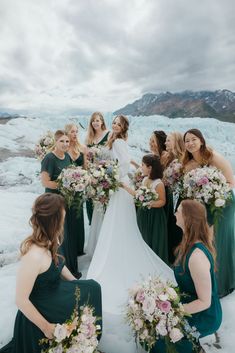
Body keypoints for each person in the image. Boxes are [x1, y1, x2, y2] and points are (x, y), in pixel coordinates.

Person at [87, 115, 175, 353]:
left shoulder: (118, 142)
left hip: (121, 184)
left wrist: (114, 175)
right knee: (117, 223)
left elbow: (122, 163)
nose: (114, 126)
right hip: (121, 183)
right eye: (113, 123)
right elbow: (124, 162)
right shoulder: (115, 141)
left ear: (123, 127)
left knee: (121, 224)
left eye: (118, 124)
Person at [0, 193, 102, 353]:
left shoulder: (51, 239)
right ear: (54, 222)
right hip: (40, 309)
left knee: (92, 288)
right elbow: (21, 300)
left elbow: (58, 264)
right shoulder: (33, 256)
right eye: (62, 218)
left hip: (53, 293)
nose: (64, 222)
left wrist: (75, 282)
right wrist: (47, 327)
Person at [151, 199, 222, 353]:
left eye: (179, 210)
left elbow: (204, 302)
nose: (175, 213)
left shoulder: (197, 257)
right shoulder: (187, 242)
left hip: (204, 314)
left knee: (160, 341)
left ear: (187, 218)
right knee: (154, 328)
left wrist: (173, 311)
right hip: (190, 302)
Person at [182, 128, 235, 297]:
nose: (190, 143)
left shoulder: (214, 158)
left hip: (222, 204)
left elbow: (231, 182)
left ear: (201, 141)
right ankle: (205, 283)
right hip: (201, 208)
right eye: (187, 141)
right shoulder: (188, 164)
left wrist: (213, 191)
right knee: (205, 243)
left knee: (220, 241)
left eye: (193, 139)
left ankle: (223, 283)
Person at [40, 130, 81, 278]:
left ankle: (69, 267)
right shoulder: (49, 158)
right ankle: (57, 270)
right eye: (62, 141)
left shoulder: (68, 157)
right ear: (55, 142)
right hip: (53, 202)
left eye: (67, 141)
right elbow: (45, 182)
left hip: (66, 200)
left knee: (67, 233)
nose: (65, 144)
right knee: (57, 234)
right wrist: (64, 184)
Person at [123, 154, 168, 264]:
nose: (141, 167)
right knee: (143, 236)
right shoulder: (145, 180)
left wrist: (149, 203)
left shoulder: (158, 183)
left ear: (150, 168)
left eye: (143, 165)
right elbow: (138, 195)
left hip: (154, 216)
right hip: (143, 214)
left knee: (153, 238)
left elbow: (162, 201)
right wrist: (124, 187)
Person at [64, 123, 87, 257]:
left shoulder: (82, 148)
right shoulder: (63, 148)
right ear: (67, 133)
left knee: (78, 216)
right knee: (67, 216)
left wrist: (82, 181)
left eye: (76, 131)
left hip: (78, 188)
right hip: (66, 189)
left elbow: (85, 168)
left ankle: (79, 247)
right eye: (72, 131)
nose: (75, 134)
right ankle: (69, 245)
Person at [162, 132, 185, 263]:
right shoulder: (170, 158)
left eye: (168, 140)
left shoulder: (181, 160)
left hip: (179, 198)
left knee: (177, 228)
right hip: (173, 196)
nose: (165, 143)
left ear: (176, 142)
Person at [85, 112, 110, 225]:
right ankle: (93, 224)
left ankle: (104, 226)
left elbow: (112, 153)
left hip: (104, 172)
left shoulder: (108, 135)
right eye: (93, 120)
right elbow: (86, 157)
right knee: (90, 198)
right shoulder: (89, 138)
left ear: (102, 122)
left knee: (103, 200)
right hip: (92, 173)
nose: (95, 122)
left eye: (97, 120)